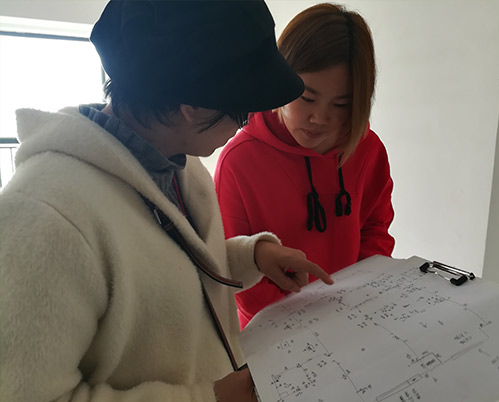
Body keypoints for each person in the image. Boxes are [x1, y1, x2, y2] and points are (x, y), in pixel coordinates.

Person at [0, 1, 334, 401]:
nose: (243, 125)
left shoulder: (177, 164)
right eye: (242, 112)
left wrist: (252, 257)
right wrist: (210, 398)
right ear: (192, 107)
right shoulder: (43, 218)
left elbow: (156, 279)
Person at [215, 3, 395, 329]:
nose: (320, 118)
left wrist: (359, 301)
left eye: (341, 104)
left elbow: (375, 232)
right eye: (307, 98)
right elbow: (237, 270)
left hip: (351, 319)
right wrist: (306, 328)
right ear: (278, 81)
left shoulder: (368, 149)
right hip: (271, 331)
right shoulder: (239, 160)